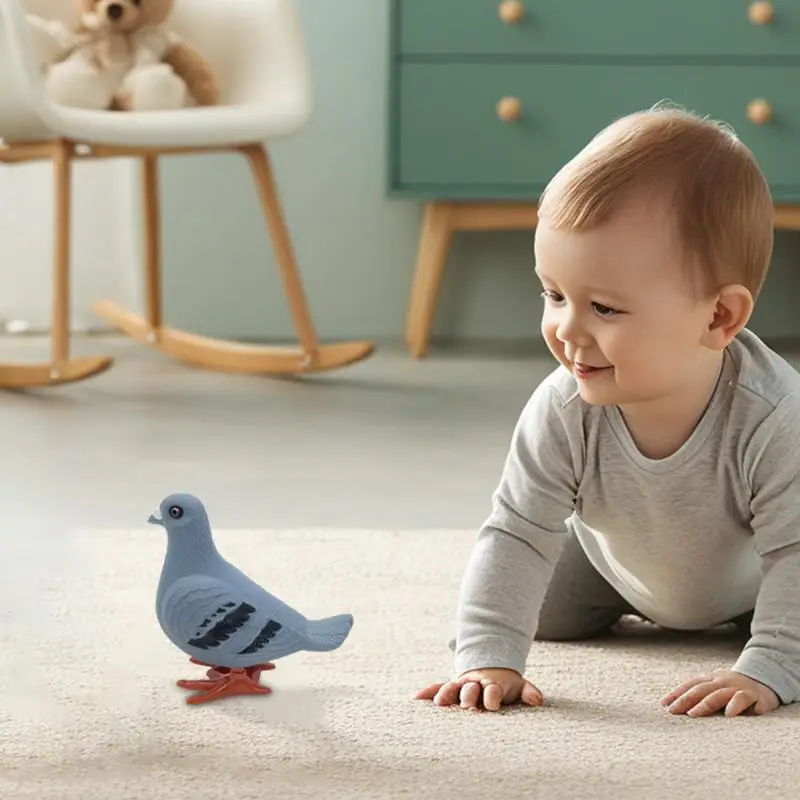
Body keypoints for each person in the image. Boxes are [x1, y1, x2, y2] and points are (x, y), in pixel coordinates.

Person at [415, 105, 800, 718]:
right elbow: (517, 530)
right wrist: (488, 654)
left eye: (606, 308)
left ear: (719, 316)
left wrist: (771, 666)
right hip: (608, 569)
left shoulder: (773, 416)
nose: (567, 330)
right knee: (534, 613)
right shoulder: (562, 406)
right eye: (555, 294)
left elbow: (794, 554)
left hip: (752, 585)